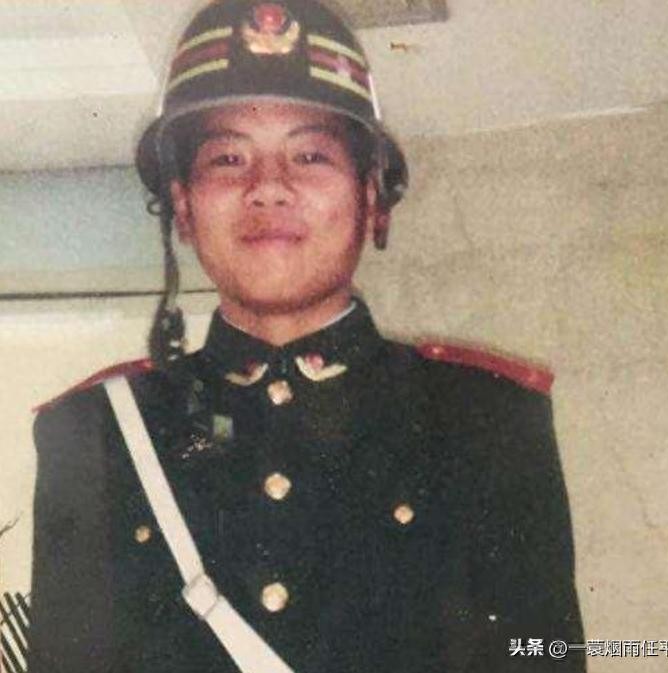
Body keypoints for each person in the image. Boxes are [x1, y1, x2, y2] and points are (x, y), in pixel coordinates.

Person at [27, 1, 585, 671]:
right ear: (182, 206)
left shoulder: (487, 421)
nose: (268, 187)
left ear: (372, 197)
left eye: (310, 154)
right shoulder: (96, 434)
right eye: (228, 158)